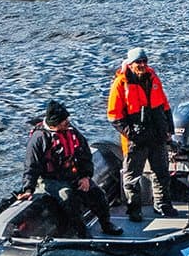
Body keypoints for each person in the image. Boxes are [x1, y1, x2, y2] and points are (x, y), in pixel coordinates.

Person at [18, 101, 121, 236]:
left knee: (97, 194)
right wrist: (28, 189)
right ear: (55, 123)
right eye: (64, 120)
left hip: (73, 175)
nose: (67, 122)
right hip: (51, 180)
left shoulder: (71, 131)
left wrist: (85, 176)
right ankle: (80, 232)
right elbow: (31, 166)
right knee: (68, 197)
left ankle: (106, 224)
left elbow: (84, 154)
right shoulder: (39, 139)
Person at [107, 46, 176, 220]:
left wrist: (169, 130)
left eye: (144, 61)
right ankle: (134, 209)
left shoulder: (153, 78)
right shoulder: (120, 84)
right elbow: (114, 116)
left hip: (157, 135)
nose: (142, 65)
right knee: (132, 177)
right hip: (135, 140)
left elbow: (165, 105)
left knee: (161, 173)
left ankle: (162, 205)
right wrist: (132, 135)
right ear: (130, 64)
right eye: (138, 62)